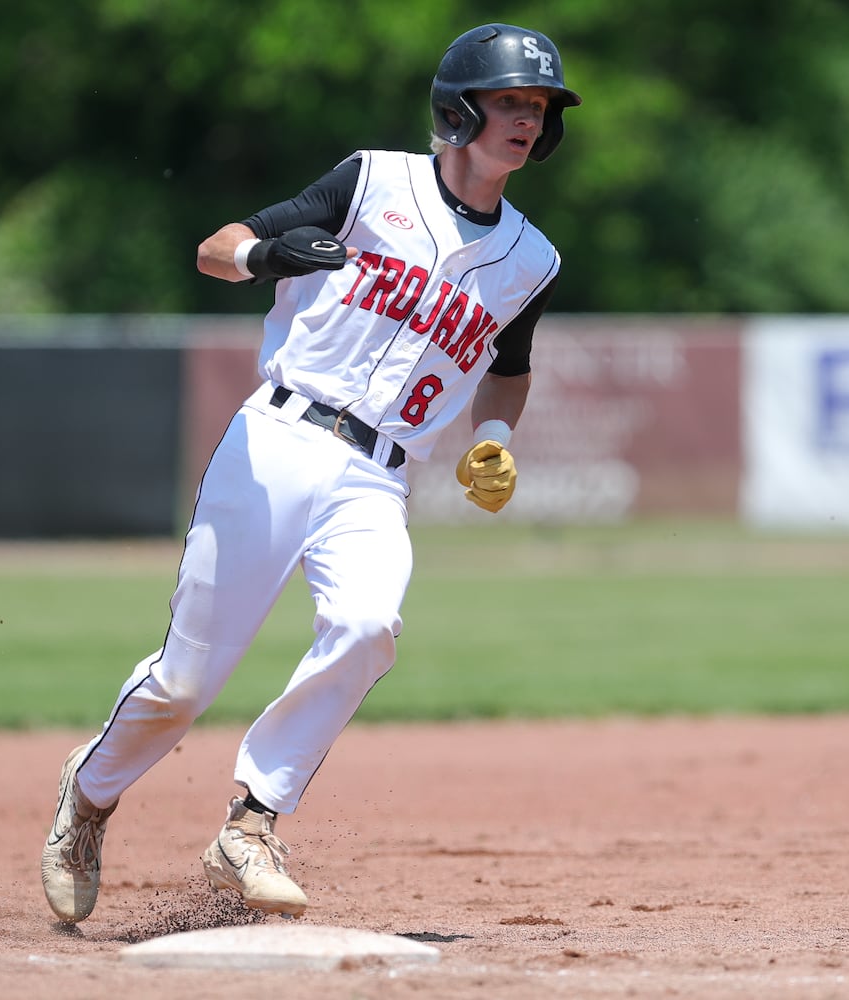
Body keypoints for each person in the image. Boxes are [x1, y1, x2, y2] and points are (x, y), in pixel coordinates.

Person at [40, 22, 582, 923]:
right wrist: (265, 254)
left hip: (379, 474)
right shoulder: (372, 179)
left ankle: (250, 824)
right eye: (509, 101)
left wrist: (495, 437)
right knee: (184, 684)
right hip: (279, 441)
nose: (526, 120)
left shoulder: (531, 259)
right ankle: (87, 799)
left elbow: (509, 366)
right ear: (459, 109)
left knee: (369, 625)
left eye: (538, 107)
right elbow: (217, 247)